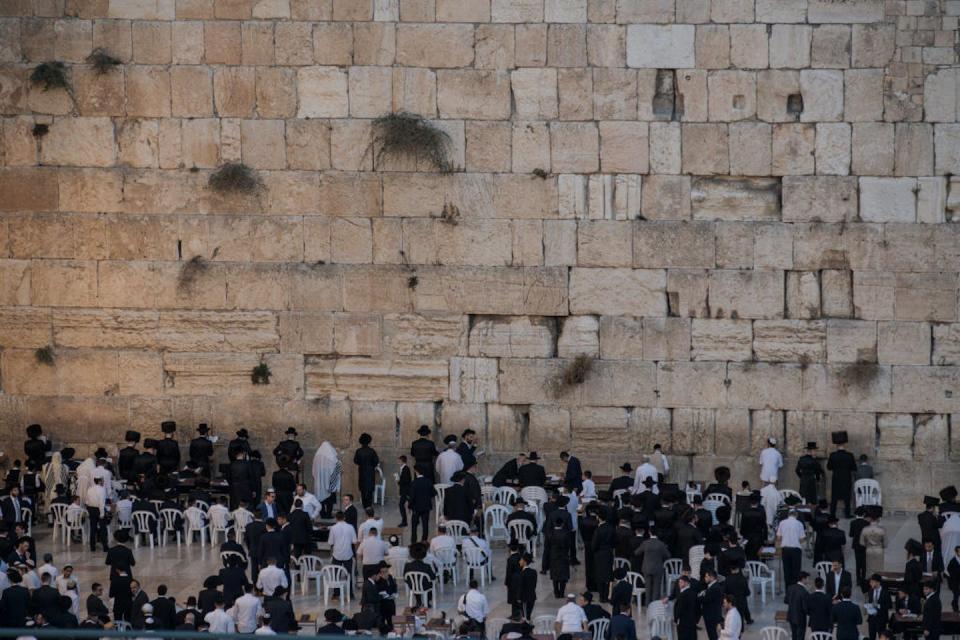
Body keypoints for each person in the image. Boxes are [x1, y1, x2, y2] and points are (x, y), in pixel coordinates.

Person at [827, 432, 857, 518]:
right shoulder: (849, 455)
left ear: (836, 445)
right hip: (846, 478)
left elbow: (829, 467)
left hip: (836, 478)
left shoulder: (832, 455)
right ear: (844, 444)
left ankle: (832, 514)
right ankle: (847, 514)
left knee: (834, 497)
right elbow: (854, 467)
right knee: (846, 497)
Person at [329, 511, 357, 595]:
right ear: (344, 517)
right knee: (349, 574)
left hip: (336, 554)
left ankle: (336, 593)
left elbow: (330, 542)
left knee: (336, 574)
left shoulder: (333, 528)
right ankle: (350, 593)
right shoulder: (350, 527)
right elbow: (354, 541)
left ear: (336, 518)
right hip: (348, 554)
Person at [312, 441, 342, 519]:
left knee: (320, 498)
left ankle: (322, 514)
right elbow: (337, 466)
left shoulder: (317, 456)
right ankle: (328, 514)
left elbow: (314, 470)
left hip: (319, 482)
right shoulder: (331, 457)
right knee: (330, 500)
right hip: (329, 483)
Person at [591, 507, 615, 603]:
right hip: (608, 553)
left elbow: (594, 544)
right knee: (608, 575)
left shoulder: (598, 530)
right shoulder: (611, 528)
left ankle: (602, 596)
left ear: (599, 517)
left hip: (599, 554)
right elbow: (615, 541)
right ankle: (606, 594)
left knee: (600, 575)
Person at [777, 509, 806, 587]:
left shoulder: (782, 523)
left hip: (785, 550)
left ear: (788, 515)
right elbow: (802, 539)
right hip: (796, 550)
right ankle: (795, 589)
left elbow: (779, 538)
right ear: (796, 515)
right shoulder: (799, 524)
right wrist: (795, 541)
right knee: (796, 571)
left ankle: (788, 590)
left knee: (787, 571)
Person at [354, 433, 380, 509]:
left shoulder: (358, 451)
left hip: (362, 472)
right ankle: (368, 505)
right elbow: (376, 461)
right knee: (369, 489)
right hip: (370, 472)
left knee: (363, 489)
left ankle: (364, 505)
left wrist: (361, 464)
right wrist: (371, 466)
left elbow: (355, 461)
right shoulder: (372, 451)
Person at [409, 466, 433, 543]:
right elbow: (433, 493)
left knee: (414, 526)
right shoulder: (428, 481)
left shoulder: (414, 482)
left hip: (416, 507)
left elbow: (412, 496)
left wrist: (410, 506)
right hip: (426, 507)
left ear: (416, 471)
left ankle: (413, 542)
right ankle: (424, 541)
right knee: (425, 525)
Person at [547, 519, 571, 598]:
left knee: (555, 575)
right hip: (563, 556)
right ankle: (562, 593)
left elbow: (547, 546)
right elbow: (568, 545)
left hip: (553, 556)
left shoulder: (551, 534)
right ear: (562, 524)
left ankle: (556, 593)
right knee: (563, 575)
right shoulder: (566, 534)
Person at [672, 574, 699, 640]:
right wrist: (696, 620)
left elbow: (679, 609)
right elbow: (698, 608)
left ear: (686, 583)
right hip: (692, 623)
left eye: (681, 582)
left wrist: (676, 619)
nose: (679, 584)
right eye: (679, 582)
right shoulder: (694, 593)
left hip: (683, 624)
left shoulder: (683, 595)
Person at [700, 570, 724, 640]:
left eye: (706, 576)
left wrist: (700, 596)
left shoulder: (714, 588)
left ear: (712, 577)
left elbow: (704, 599)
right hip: (710, 615)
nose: (705, 578)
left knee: (712, 635)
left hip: (711, 616)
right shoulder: (712, 586)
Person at [785, 571, 809, 640]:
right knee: (800, 637)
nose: (808, 580)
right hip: (800, 618)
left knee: (794, 636)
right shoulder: (804, 592)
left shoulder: (790, 588)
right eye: (807, 578)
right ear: (803, 579)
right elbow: (805, 608)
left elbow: (786, 601)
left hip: (791, 616)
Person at [512, 553, 538, 620]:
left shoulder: (522, 574)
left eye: (521, 560)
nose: (519, 561)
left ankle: (527, 629)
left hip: (524, 599)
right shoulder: (534, 572)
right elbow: (534, 585)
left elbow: (520, 587)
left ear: (525, 562)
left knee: (525, 617)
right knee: (528, 615)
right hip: (532, 596)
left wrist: (518, 598)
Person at [865, 573, 890, 640]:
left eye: (872, 582)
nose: (870, 583)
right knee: (871, 637)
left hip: (881, 619)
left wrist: (878, 606)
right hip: (872, 618)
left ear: (877, 582)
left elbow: (888, 605)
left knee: (881, 636)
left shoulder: (885, 592)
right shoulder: (871, 591)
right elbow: (870, 602)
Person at [396, 455, 411, 527]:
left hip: (406, 491)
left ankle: (404, 521)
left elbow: (406, 480)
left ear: (402, 461)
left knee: (401, 504)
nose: (398, 462)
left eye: (399, 460)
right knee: (409, 505)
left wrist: (398, 481)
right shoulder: (404, 468)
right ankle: (405, 521)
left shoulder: (405, 469)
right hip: (405, 490)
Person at [948, 545, 960, 612]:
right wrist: (953, 575)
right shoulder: (953, 560)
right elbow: (949, 569)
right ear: (956, 552)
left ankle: (954, 603)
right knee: (956, 595)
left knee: (957, 594)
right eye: (959, 551)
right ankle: (956, 608)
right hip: (955, 581)